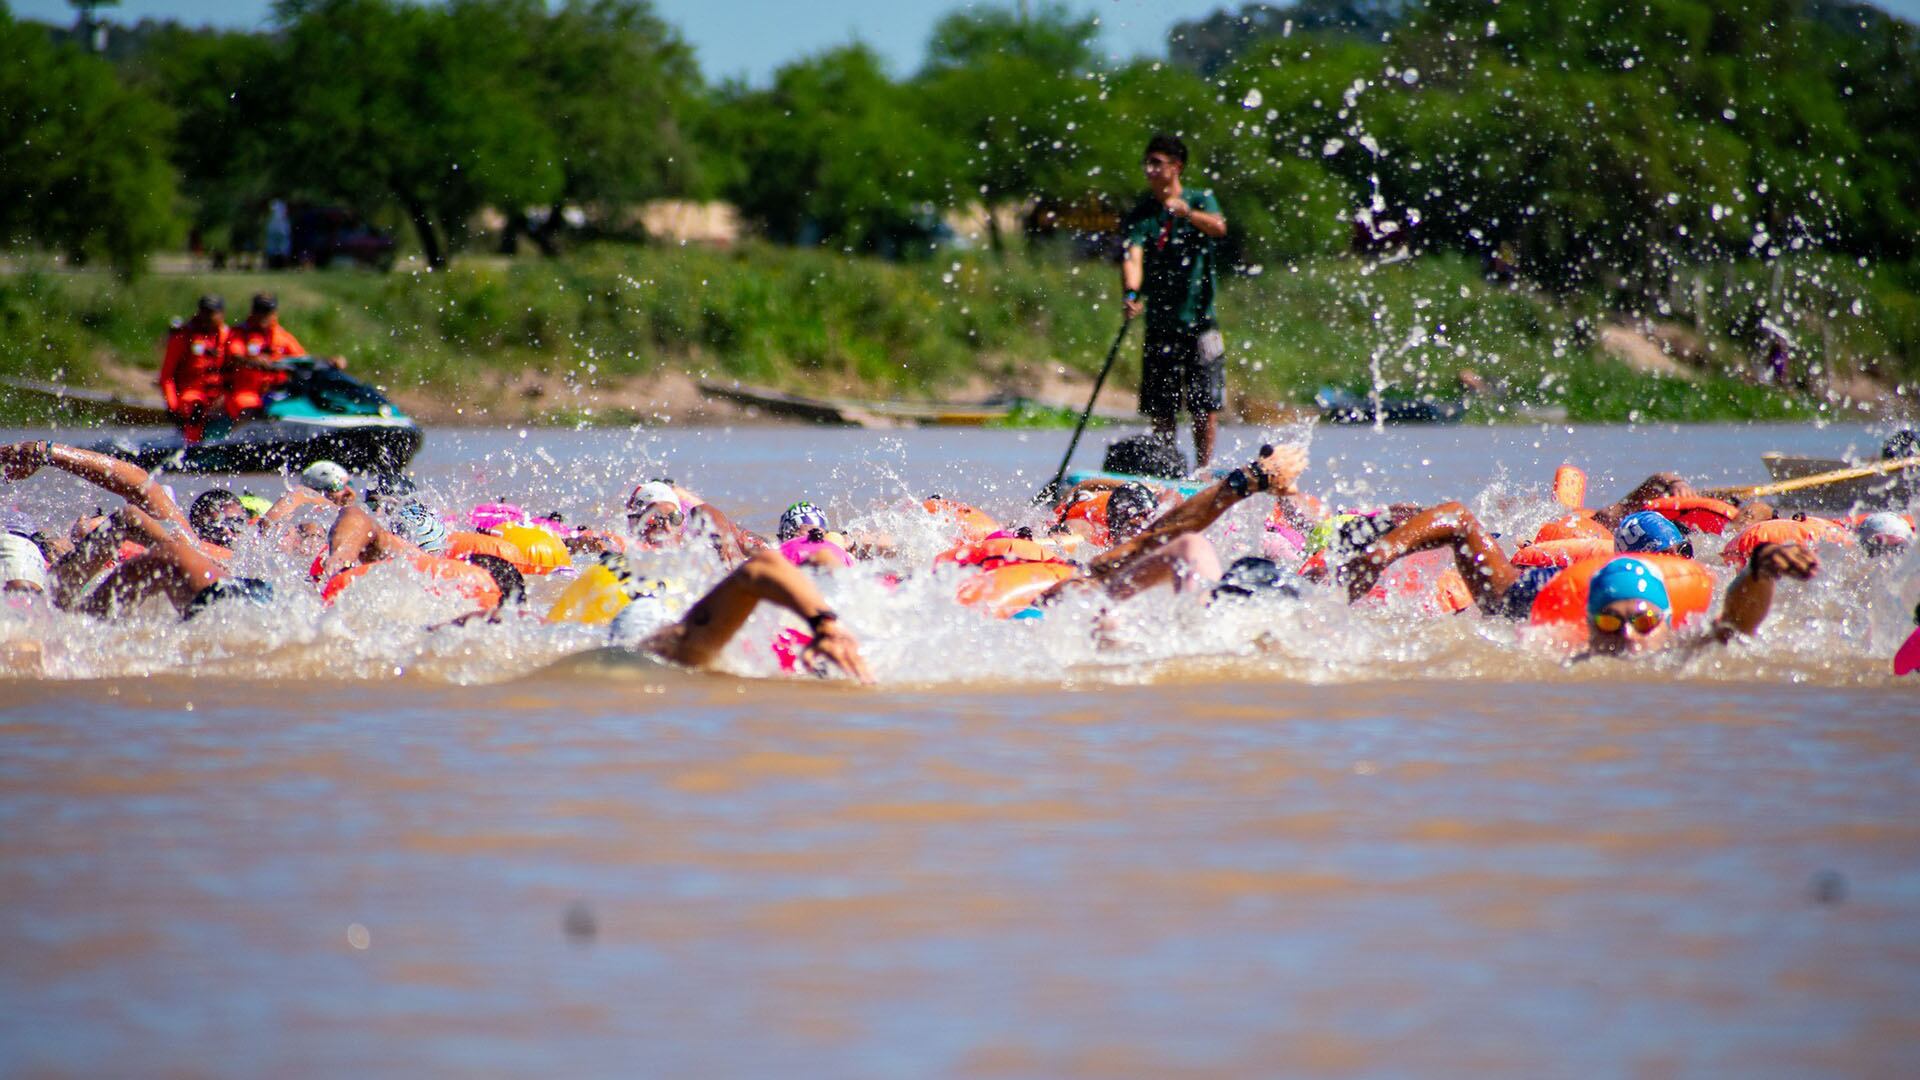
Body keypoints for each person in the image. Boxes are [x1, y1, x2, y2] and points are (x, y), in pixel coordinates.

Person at [1120, 132, 1230, 469]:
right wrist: (1131, 294)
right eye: (1147, 163)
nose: (1150, 170)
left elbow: (1219, 228)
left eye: (1158, 163)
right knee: (1161, 406)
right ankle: (1165, 465)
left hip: (1200, 323)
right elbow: (1133, 257)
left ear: (1176, 167)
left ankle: (1202, 471)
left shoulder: (1200, 200)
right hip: (1160, 325)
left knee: (1203, 405)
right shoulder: (1142, 214)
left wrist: (1187, 215)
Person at [223, 293, 307, 420]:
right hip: (246, 392)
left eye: (267, 311)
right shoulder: (238, 333)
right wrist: (254, 361)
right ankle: (238, 438)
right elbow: (236, 356)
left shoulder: (282, 335)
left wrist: (328, 361)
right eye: (259, 311)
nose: (263, 316)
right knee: (250, 411)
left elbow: (302, 359)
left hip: (276, 392)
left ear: (274, 313)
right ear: (253, 311)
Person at [158, 295, 229, 441]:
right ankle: (192, 447)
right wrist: (172, 406)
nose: (208, 317)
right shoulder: (182, 337)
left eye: (212, 312)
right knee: (193, 405)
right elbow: (167, 376)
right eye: (205, 312)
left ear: (222, 314)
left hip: (220, 395)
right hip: (192, 394)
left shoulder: (230, 336)